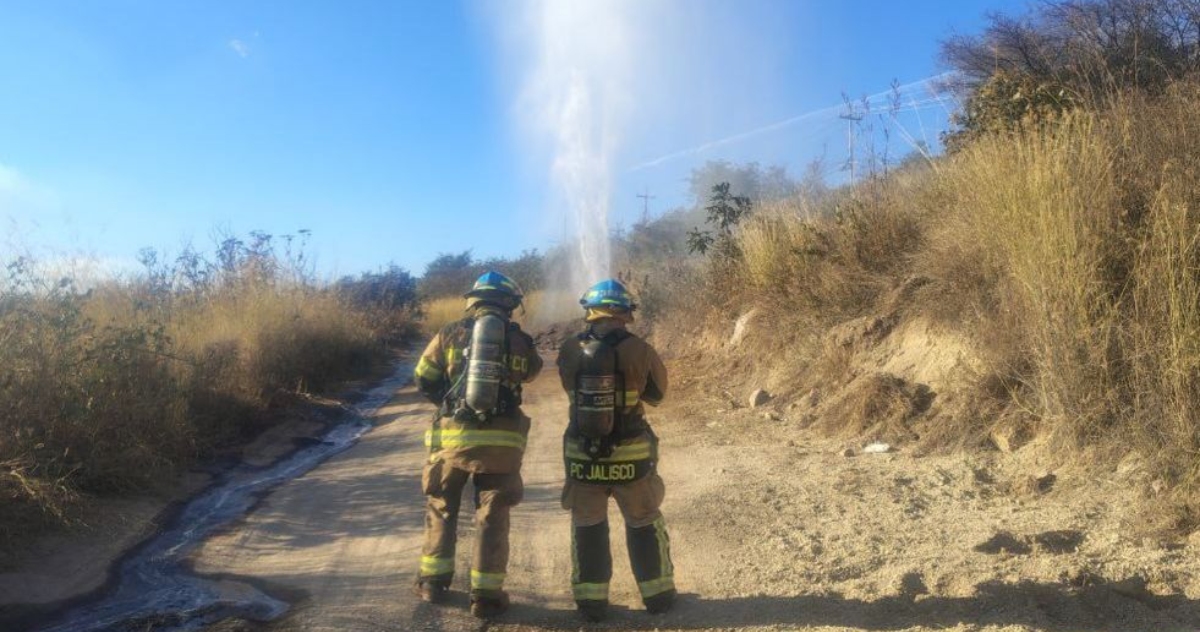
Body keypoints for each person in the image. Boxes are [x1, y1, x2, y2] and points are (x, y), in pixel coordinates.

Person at [412, 271, 543, 619]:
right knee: (492, 515)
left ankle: (432, 584)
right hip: (501, 447)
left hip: (452, 443)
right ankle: (485, 597)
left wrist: (450, 404)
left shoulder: (449, 334)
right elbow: (532, 372)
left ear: (473, 301)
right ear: (510, 304)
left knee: (441, 507)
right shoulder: (519, 340)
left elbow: (423, 376)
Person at [556, 278, 675, 622]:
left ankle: (591, 603)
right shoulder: (641, 349)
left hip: (583, 457)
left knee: (587, 524)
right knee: (642, 521)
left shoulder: (568, 349)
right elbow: (657, 395)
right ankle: (658, 596)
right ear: (625, 313)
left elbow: (568, 388)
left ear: (590, 312)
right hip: (631, 458)